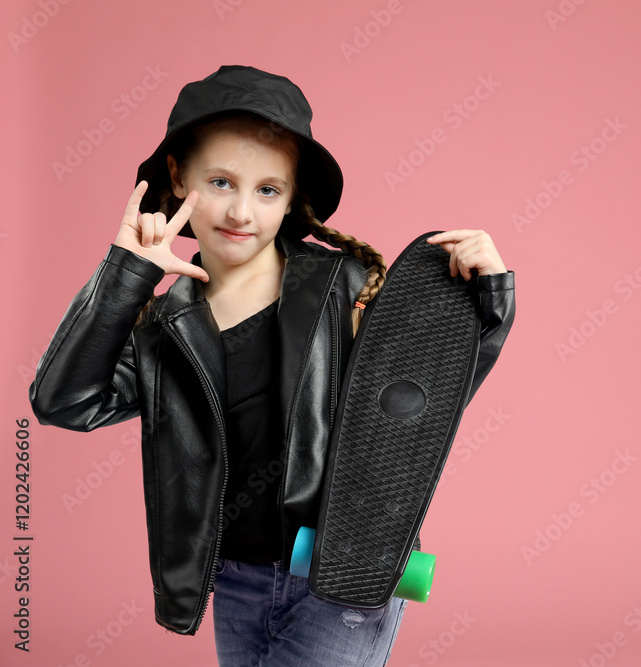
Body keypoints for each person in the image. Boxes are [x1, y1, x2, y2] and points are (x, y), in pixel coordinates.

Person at [28, 64, 515, 666]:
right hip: (235, 579)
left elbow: (421, 405)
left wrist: (488, 303)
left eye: (267, 190)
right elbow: (62, 401)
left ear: (290, 199)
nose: (241, 212)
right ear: (177, 176)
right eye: (221, 182)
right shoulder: (161, 326)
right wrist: (126, 273)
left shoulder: (345, 287)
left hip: (345, 571)